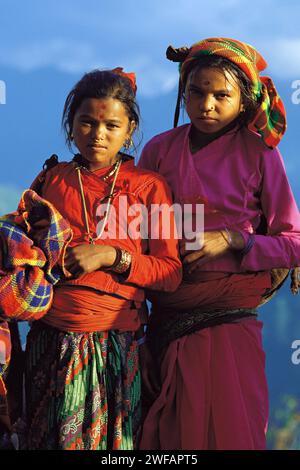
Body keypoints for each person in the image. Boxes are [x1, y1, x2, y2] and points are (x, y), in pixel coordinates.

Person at [138, 37, 300, 450]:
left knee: (228, 430)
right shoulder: (159, 149)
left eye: (220, 95)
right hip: (165, 313)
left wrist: (232, 240)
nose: (206, 105)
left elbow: (293, 241)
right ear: (183, 91)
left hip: (227, 320)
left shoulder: (260, 154)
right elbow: (134, 229)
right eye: (196, 91)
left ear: (244, 101)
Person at [16, 68, 181, 450]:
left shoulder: (147, 187)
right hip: (49, 342)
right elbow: (22, 251)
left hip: (113, 348)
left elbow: (170, 273)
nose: (98, 134)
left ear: (130, 129)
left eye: (111, 124)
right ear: (71, 125)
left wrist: (112, 256)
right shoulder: (51, 181)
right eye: (87, 122)